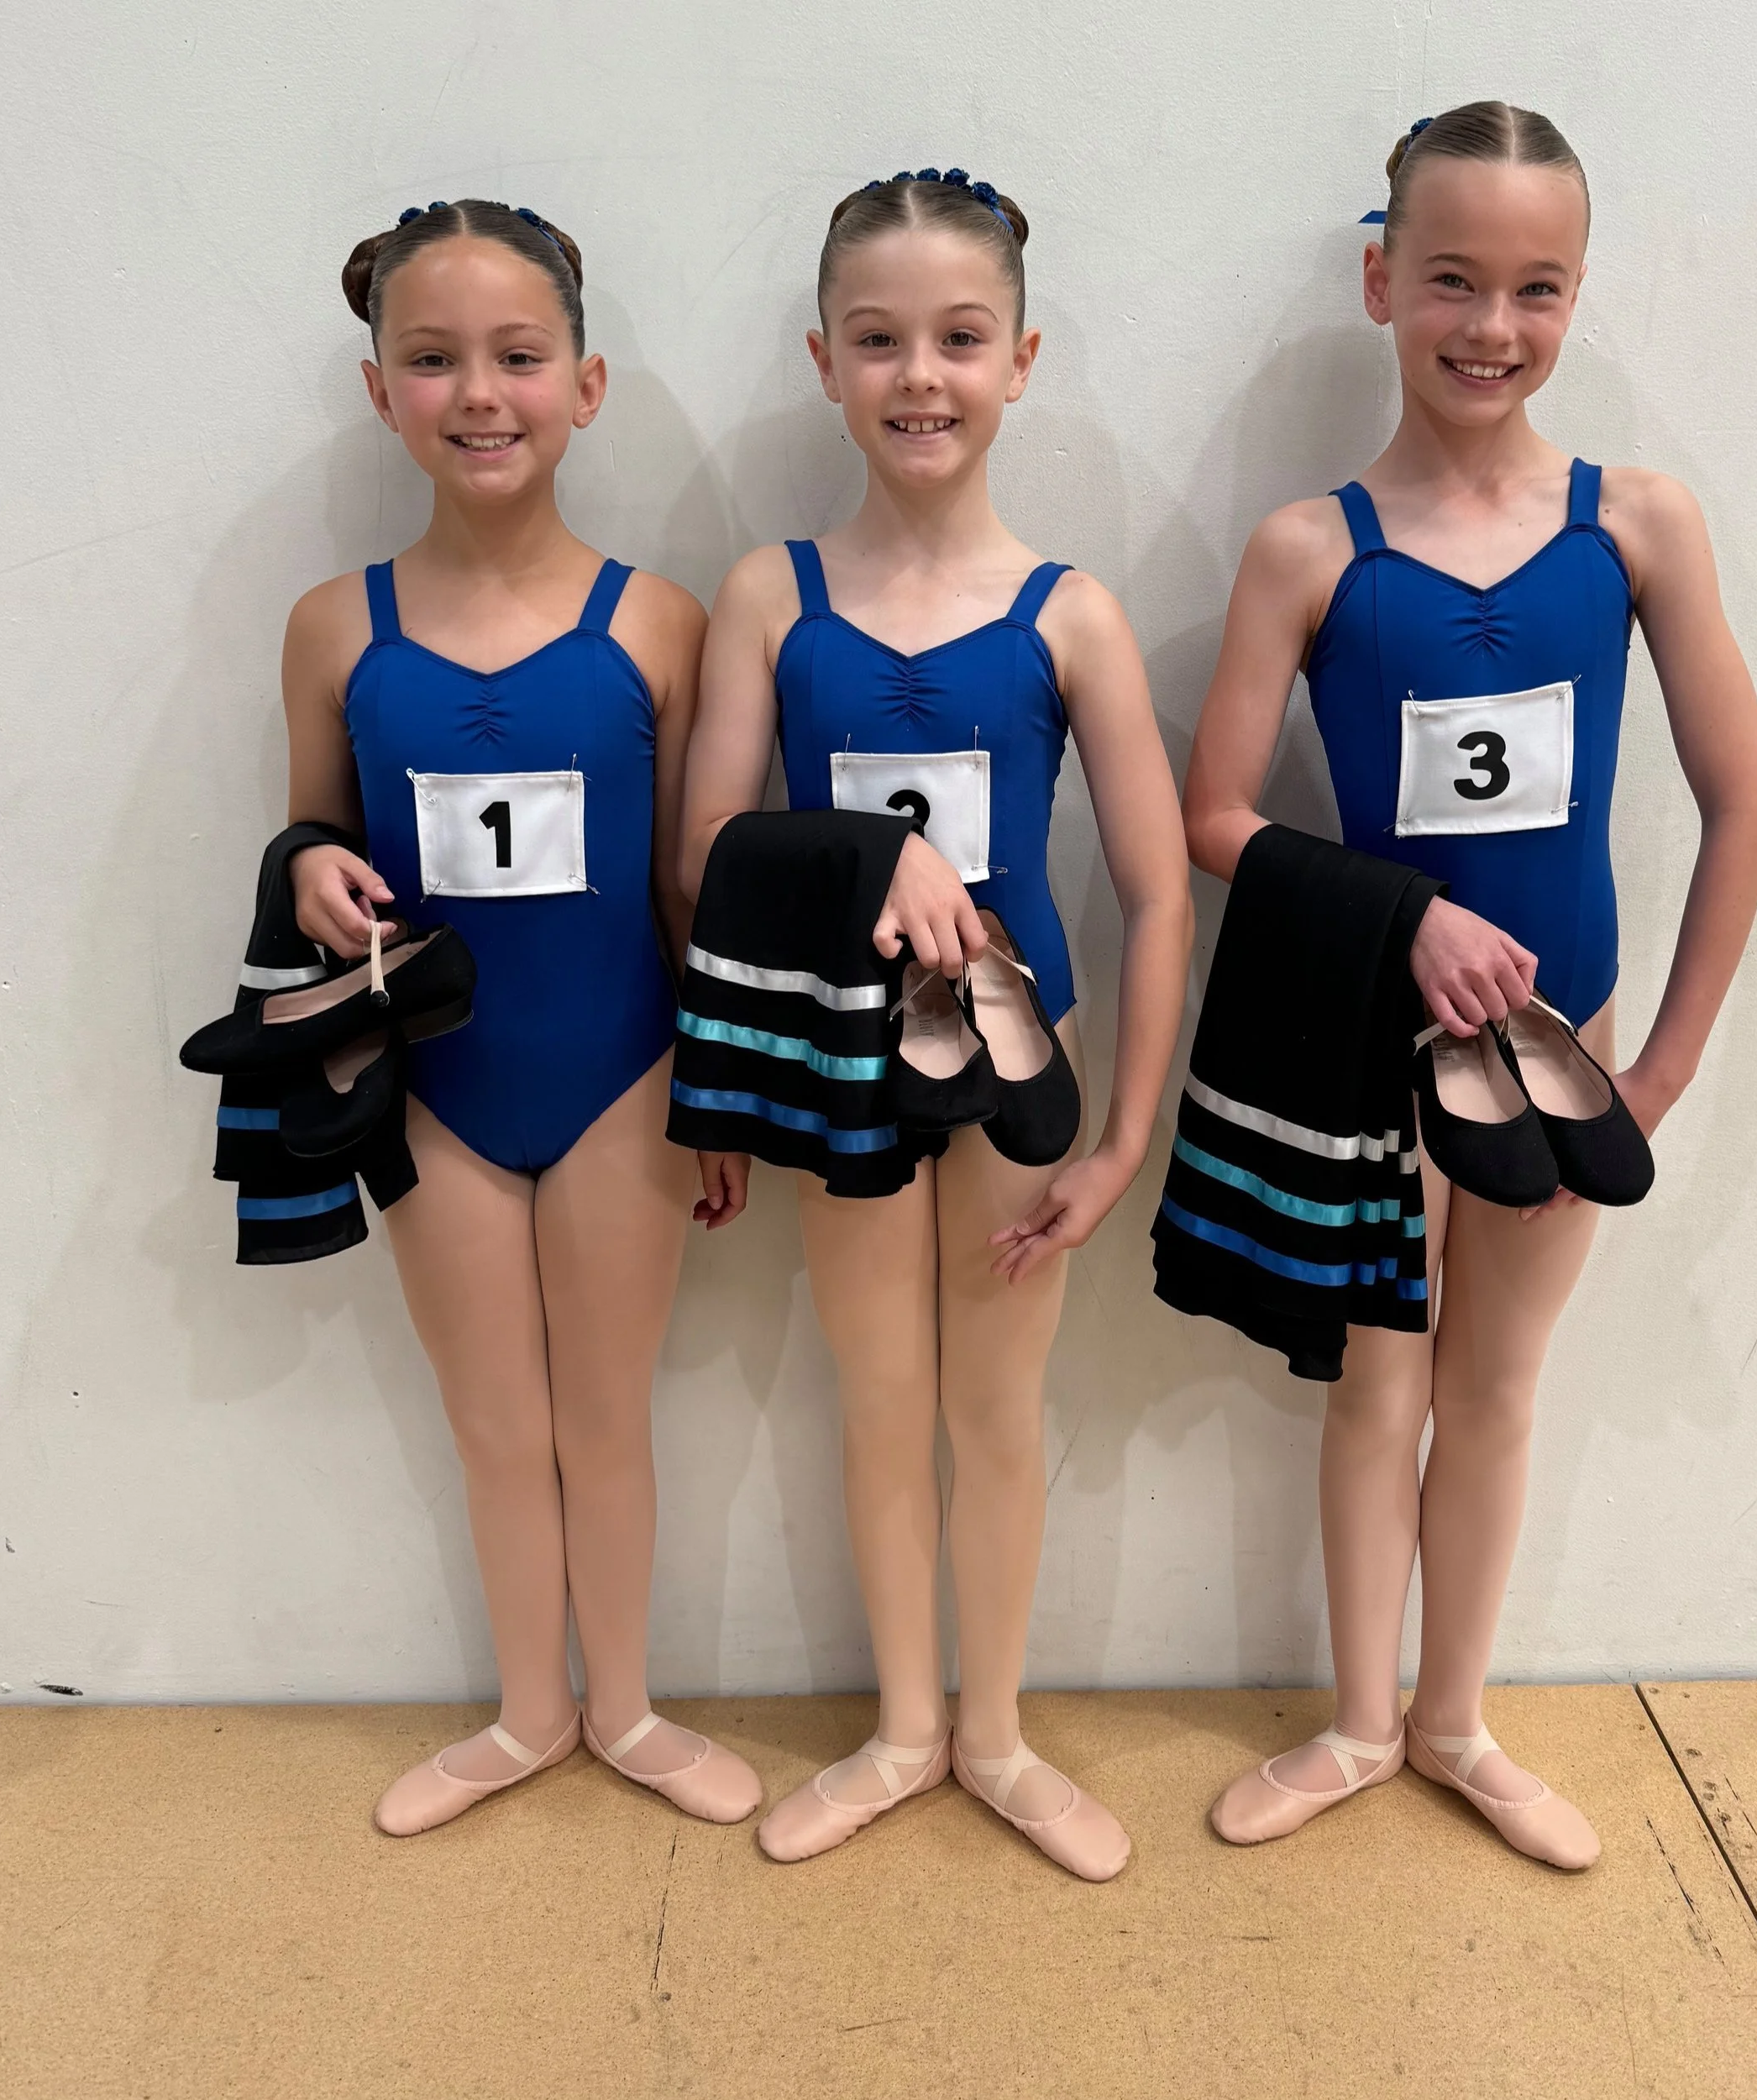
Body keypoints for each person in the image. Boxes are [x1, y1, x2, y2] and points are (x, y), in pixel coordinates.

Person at [1184, 107, 1757, 1866]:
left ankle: (1455, 1722)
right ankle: (1357, 1725)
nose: (1489, 325)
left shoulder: (1638, 524)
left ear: (1576, 296)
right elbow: (1214, 814)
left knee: (1499, 1384)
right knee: (1378, 1384)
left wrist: (1655, 1072)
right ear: (1382, 281)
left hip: (1566, 1042)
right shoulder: (1309, 549)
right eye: (1450, 279)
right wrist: (1407, 917)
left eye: (1535, 288)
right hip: (1375, 1041)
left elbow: (1746, 802)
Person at [681, 170, 1192, 1880]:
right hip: (839, 1071)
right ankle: (904, 1728)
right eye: (880, 339)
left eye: (960, 339)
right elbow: (703, 854)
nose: (921, 376)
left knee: (996, 1409)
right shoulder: (769, 595)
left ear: (1020, 359)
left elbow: (1157, 892)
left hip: (1019, 1070)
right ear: (822, 360)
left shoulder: (1072, 613)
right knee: (880, 1397)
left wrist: (1120, 1138)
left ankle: (998, 1735)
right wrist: (869, 858)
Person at [281, 197, 758, 1834]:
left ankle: (623, 1706)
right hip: (432, 1086)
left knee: (606, 1417)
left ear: (586, 384)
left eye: (517, 357)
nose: (478, 394)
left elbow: (691, 890)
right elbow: (308, 828)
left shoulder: (660, 622)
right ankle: (527, 1713)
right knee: (495, 1424)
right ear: (380, 391)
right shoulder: (336, 626)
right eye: (432, 360)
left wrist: (718, 1093)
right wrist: (311, 869)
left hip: (624, 1075)